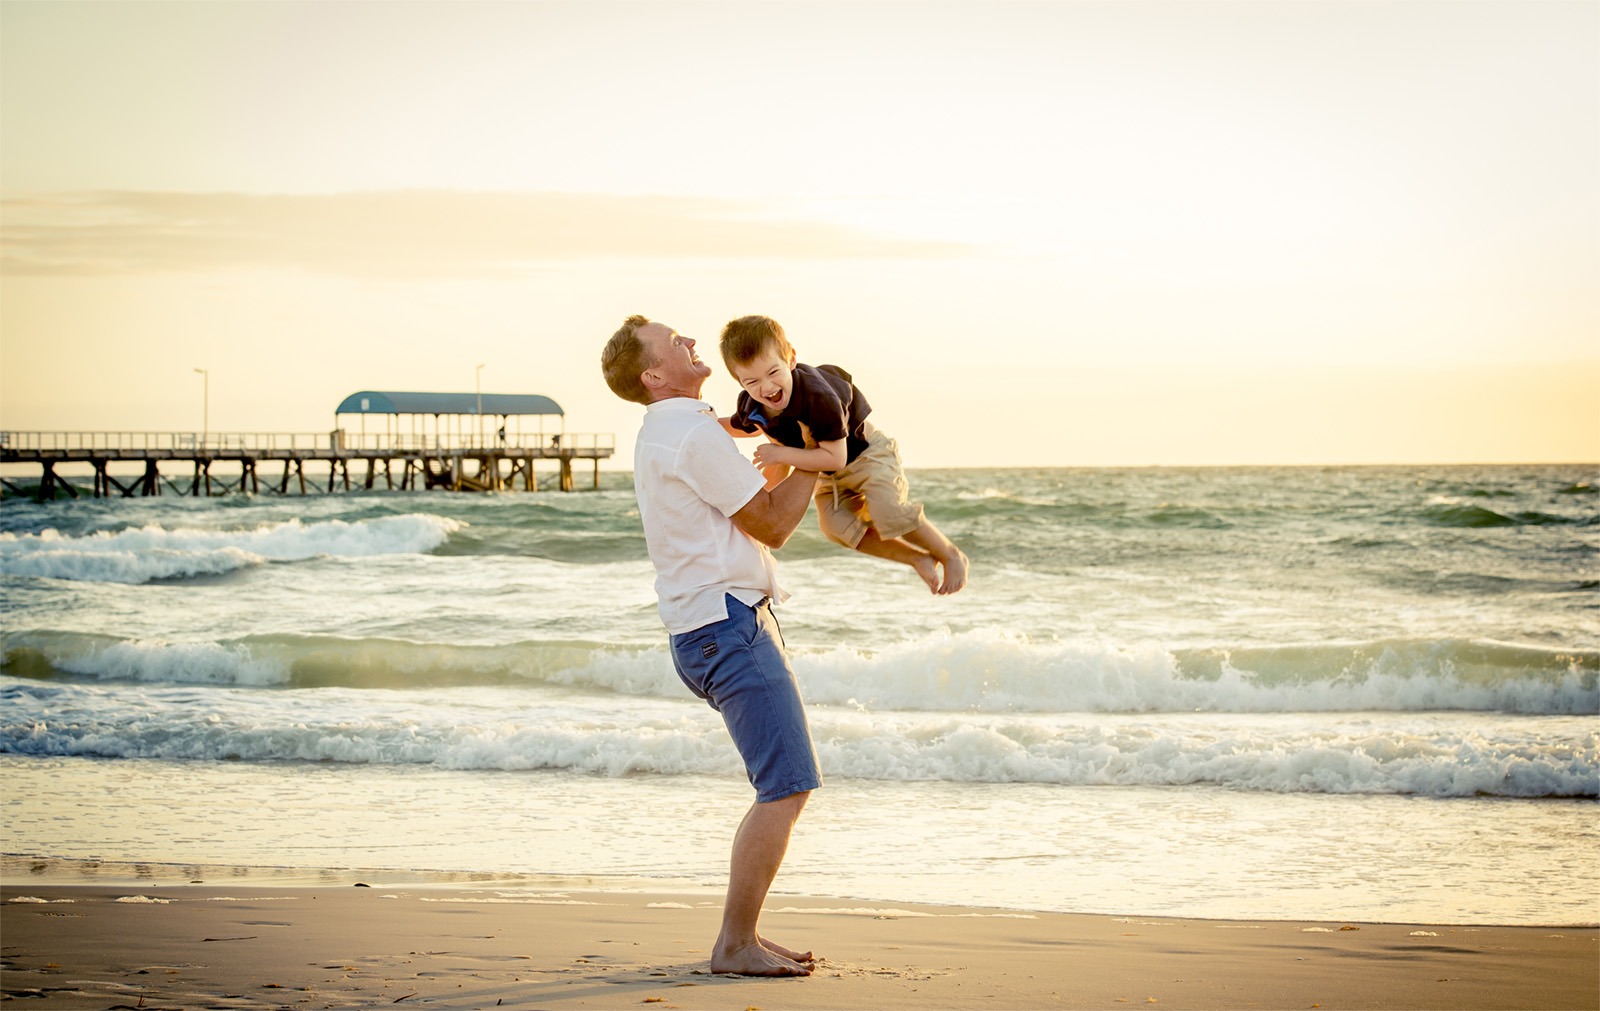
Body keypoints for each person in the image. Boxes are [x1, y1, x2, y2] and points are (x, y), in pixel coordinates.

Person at [600, 314, 823, 978]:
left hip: (715, 623)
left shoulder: (673, 430)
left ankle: (743, 933)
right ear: (653, 373)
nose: (691, 342)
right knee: (785, 784)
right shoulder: (689, 434)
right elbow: (776, 526)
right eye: (675, 342)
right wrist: (823, 449)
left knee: (785, 782)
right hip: (725, 626)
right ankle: (734, 942)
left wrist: (797, 459)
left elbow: (753, 504)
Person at [719, 314, 969, 595]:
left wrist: (780, 455)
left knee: (890, 513)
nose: (766, 387)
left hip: (867, 457)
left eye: (773, 373)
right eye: (751, 381)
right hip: (828, 475)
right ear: (740, 382)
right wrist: (703, 422)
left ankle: (950, 554)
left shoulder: (818, 397)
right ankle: (917, 558)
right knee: (837, 527)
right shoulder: (754, 402)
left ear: (790, 359)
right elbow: (745, 427)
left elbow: (834, 456)